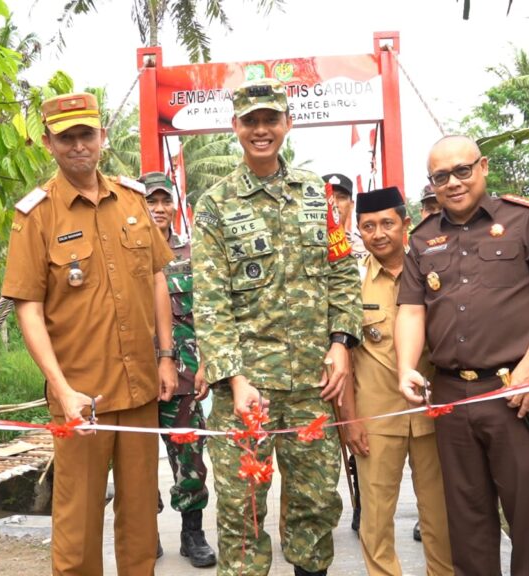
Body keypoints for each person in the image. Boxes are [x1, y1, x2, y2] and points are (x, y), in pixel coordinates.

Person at [1, 92, 177, 576]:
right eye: (66, 138)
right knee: (77, 529)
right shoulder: (36, 215)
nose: (78, 145)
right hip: (81, 398)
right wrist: (61, 389)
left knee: (141, 522)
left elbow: (157, 279)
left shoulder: (133, 200)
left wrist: (166, 355)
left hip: (139, 389)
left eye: (86, 134)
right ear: (48, 143)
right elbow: (28, 308)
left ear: (103, 136)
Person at [192, 77, 362, 576]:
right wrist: (235, 379)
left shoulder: (317, 194)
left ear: (288, 123)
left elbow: (342, 272)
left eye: (271, 119)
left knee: (315, 507)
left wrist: (341, 343)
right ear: (236, 127)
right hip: (247, 392)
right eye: (251, 121)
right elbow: (211, 302)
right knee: (241, 511)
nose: (261, 130)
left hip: (313, 384)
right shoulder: (215, 204)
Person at [396, 135, 529, 576]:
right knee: (467, 521)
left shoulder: (524, 221)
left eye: (462, 170)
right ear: (432, 183)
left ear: (483, 167)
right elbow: (412, 310)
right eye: (441, 176)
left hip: (514, 392)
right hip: (451, 397)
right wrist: (405, 367)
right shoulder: (422, 239)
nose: (453, 182)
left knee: (528, 513)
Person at [341, 186, 454, 576]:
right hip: (375, 419)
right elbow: (343, 358)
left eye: (387, 223)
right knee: (375, 520)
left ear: (406, 224)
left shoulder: (433, 273)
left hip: (431, 415)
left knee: (440, 516)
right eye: (368, 226)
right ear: (359, 230)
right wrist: (350, 420)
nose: (378, 234)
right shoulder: (351, 281)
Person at [139, 170, 217, 568]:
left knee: (190, 457)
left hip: (184, 376)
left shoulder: (191, 254)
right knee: (135, 462)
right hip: (134, 376)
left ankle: (192, 533)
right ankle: (144, 532)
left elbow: (210, 312)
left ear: (174, 205)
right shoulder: (124, 253)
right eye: (150, 201)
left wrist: (206, 363)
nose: (158, 208)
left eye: (164, 200)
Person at [323, 173, 367, 259]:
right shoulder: (304, 243)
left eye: (341, 197)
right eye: (328, 197)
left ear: (351, 205)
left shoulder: (365, 246)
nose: (334, 204)